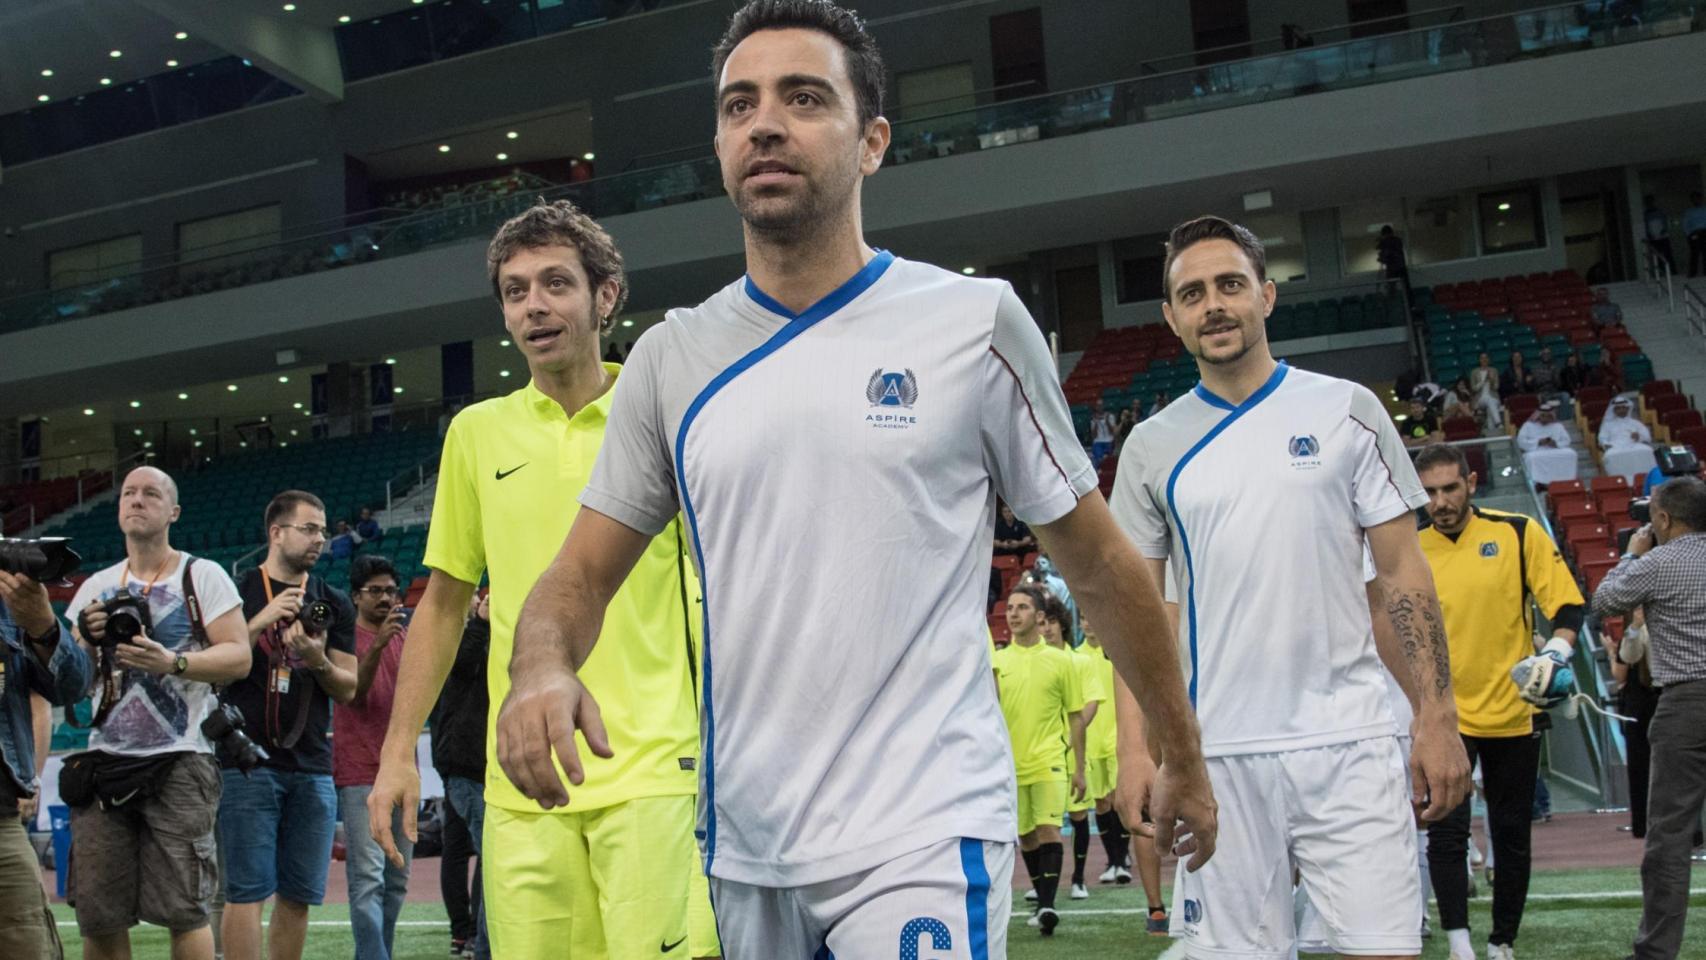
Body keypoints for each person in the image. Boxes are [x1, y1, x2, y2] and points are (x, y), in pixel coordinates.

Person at [497, 3, 1216, 954]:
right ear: (718, 142)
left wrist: (1181, 751)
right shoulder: (675, 358)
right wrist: (538, 664)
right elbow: (578, 577)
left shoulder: (972, 322)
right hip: (748, 842)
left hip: (923, 820)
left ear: (872, 140)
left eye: (803, 98)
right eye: (739, 104)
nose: (765, 123)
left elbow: (1098, 564)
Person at [1108, 215, 1469, 960]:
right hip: (1218, 756)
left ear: (1267, 296)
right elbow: (1142, 616)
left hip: (1354, 742)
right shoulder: (1150, 449)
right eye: (1194, 292)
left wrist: (1437, 716)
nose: (1215, 304)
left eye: (1231, 285)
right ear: (1171, 318)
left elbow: (1402, 576)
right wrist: (1136, 749)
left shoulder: (1347, 411)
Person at [366, 199, 718, 960]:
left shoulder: (665, 410)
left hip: (657, 774)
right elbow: (443, 607)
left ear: (607, 295)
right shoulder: (475, 433)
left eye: (556, 283)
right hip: (521, 784)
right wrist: (399, 752)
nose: (535, 305)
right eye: (517, 290)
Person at [64, 467, 252, 960]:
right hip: (104, 761)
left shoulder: (201, 574)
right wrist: (83, 636)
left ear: (174, 512)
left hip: (182, 759)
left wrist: (174, 661)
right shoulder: (94, 589)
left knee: (186, 910)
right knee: (99, 916)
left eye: (151, 493)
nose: (136, 500)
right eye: (128, 493)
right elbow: (71, 681)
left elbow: (239, 656)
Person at [1411, 443, 1586, 960]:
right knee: (1445, 833)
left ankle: (1501, 941)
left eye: (1449, 487)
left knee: (1511, 835)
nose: (1440, 501)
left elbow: (1570, 607)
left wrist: (1554, 654)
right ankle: (1460, 944)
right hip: (1445, 720)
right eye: (1430, 492)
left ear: (1470, 481)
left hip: (1514, 713)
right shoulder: (1409, 549)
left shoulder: (1515, 531)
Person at [221, 490, 359, 960]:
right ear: (276, 533)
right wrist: (259, 621)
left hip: (312, 765)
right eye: (309, 528)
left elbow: (347, 687)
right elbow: (218, 667)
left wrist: (316, 659)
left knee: (299, 892)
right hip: (245, 763)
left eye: (322, 529)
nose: (321, 538)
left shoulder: (332, 601)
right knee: (245, 891)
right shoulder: (237, 590)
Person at [1589, 476, 1706, 960]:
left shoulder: (1657, 562)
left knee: (1670, 838)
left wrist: (1634, 553)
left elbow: (1604, 602)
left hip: (1686, 703)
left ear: (1662, 519)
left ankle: (1657, 952)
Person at [0, 564, 92, 960]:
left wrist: (44, 628)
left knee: (30, 945)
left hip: (0, 823)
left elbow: (71, 688)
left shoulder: (7, 605)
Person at [995, 585, 1086, 936]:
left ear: (1039, 616)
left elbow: (1076, 716)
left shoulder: (1061, 661)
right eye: (1010, 608)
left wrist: (1079, 768)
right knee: (1026, 836)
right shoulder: (999, 663)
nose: (1014, 614)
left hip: (1050, 758)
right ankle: (1044, 899)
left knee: (1049, 830)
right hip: (1010, 766)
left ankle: (1047, 905)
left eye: (1022, 608)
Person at [336, 554, 412, 960]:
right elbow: (354, 694)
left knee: (397, 878)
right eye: (375, 591)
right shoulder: (345, 640)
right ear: (355, 596)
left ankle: (378, 954)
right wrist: (379, 644)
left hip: (402, 771)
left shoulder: (405, 637)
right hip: (359, 770)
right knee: (368, 878)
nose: (385, 598)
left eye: (390, 590)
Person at [431, 591, 491, 960]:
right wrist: (482, 623)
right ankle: (475, 940)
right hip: (467, 765)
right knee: (485, 857)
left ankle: (469, 938)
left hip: (475, 764)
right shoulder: (452, 635)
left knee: (466, 852)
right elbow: (462, 667)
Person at [1039, 592, 1101, 903]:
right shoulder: (1034, 663)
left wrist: (1073, 730)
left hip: (1072, 751)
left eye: (1051, 622)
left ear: (1062, 624)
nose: (1046, 628)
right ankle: (1043, 885)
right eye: (1042, 623)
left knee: (1078, 817)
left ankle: (1078, 878)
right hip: (1042, 754)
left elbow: (1091, 701)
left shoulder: (1079, 661)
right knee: (1042, 824)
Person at [1516, 400, 1578, 485]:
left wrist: (1555, 443)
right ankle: (1537, 483)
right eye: (1543, 416)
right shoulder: (1528, 425)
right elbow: (1521, 441)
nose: (1545, 418)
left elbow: (1566, 440)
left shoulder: (1558, 426)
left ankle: (1566, 481)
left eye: (1547, 416)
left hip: (1554, 449)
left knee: (1571, 454)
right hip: (1536, 450)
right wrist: (1538, 442)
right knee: (1531, 458)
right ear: (1538, 416)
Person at [1470, 352, 1504, 430]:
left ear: (1488, 359)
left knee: (1490, 405)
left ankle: (1492, 432)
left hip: (1494, 397)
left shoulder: (1494, 370)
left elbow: (1496, 387)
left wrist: (1491, 381)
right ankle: (1499, 423)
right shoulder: (1474, 372)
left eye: (1486, 358)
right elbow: (1473, 388)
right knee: (1488, 400)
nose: (1484, 360)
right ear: (1479, 360)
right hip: (1480, 399)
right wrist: (1483, 381)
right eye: (1482, 358)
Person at [1645, 195, 1676, 273]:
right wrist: (1649, 234)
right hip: (1653, 238)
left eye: (1651, 201)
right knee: (1657, 257)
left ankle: (1673, 272)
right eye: (1647, 201)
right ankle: (1662, 272)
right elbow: (1645, 226)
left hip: (1663, 237)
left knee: (1668, 255)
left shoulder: (1660, 211)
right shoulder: (1645, 214)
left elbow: (1666, 222)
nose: (1649, 203)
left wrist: (1664, 230)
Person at [1377, 225, 1410, 296]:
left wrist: (1383, 256)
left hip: (1395, 268)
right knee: (1396, 287)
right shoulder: (1396, 240)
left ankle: (1409, 304)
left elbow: (1387, 254)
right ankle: (1410, 305)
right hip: (1398, 267)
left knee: (1395, 288)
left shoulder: (1393, 241)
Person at [1088, 397, 1117, 465]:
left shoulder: (1110, 416)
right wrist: (1096, 423)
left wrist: (1107, 421)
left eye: (1101, 405)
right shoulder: (1093, 419)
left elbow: (1113, 431)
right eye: (1098, 406)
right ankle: (1100, 466)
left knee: (1107, 454)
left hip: (1109, 440)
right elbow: (1093, 436)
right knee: (1098, 454)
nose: (1099, 407)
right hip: (1098, 441)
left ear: (1103, 406)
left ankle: (1104, 458)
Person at [1684, 191, 1706, 278]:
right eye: (1694, 199)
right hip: (1694, 234)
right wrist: (1689, 234)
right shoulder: (1689, 211)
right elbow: (1685, 224)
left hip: (1705, 232)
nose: (1696, 200)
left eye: (1697, 198)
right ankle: (1692, 273)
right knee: (1694, 253)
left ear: (1700, 199)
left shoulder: (1704, 209)